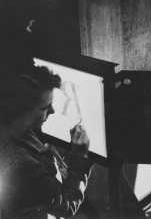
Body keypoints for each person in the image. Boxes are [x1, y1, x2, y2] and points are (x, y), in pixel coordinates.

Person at [0, 56, 93, 219]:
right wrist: (79, 158)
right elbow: (67, 206)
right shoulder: (23, 164)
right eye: (45, 107)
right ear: (23, 111)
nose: (52, 111)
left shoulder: (13, 128)